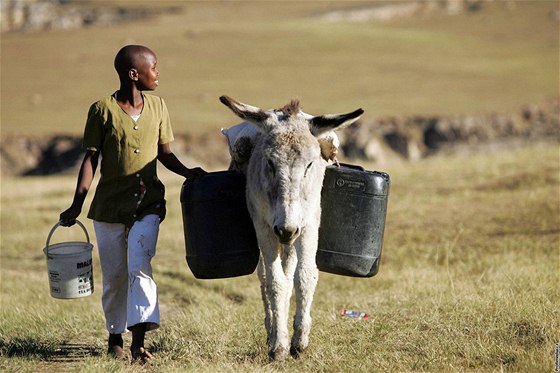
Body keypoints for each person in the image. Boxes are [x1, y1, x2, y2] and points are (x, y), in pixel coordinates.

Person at [59, 45, 206, 363]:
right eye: (154, 66)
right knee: (114, 276)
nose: (158, 72)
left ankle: (138, 341)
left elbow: (165, 154)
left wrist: (189, 172)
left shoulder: (159, 106)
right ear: (133, 74)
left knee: (139, 266)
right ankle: (115, 336)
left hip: (148, 204)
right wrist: (76, 205)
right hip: (109, 207)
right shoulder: (101, 109)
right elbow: (91, 158)